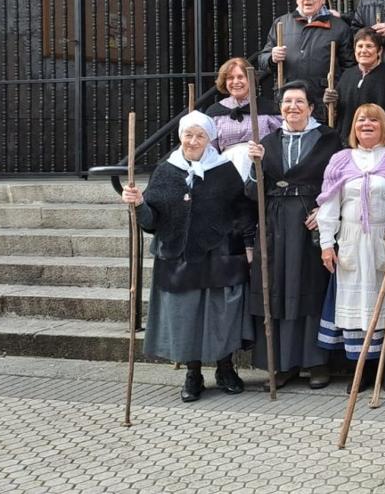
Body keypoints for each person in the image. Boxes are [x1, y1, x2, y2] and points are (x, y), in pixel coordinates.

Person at [120, 111, 253, 402]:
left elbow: (243, 211)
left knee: (222, 314)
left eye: (200, 135)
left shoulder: (224, 170)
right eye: (188, 135)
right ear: (180, 136)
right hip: (178, 256)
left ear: (210, 139)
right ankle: (193, 373)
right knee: (186, 315)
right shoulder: (166, 171)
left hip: (221, 254)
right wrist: (139, 203)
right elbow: (151, 220)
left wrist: (249, 245)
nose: (194, 141)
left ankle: (225, 368)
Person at [245, 81, 344, 390]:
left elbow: (341, 182)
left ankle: (316, 362)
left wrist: (324, 209)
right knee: (276, 290)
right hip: (274, 224)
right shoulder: (266, 142)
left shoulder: (329, 140)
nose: (293, 107)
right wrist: (254, 164)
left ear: (311, 107)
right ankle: (281, 364)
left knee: (309, 286)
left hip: (308, 223)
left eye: (300, 101)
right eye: (287, 102)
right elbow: (251, 191)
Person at [315, 104, 385, 393]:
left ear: (384, 125)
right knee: (358, 306)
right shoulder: (341, 159)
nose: (366, 124)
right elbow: (329, 205)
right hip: (351, 240)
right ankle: (362, 370)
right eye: (360, 120)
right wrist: (325, 244)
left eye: (373, 119)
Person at [254, 0, 355, 97]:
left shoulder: (339, 26)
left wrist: (338, 92)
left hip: (323, 99)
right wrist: (272, 58)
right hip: (288, 96)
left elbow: (349, 67)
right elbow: (262, 59)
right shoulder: (281, 23)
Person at [205, 56, 281, 180]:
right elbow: (209, 150)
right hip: (226, 172)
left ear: (250, 79)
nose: (236, 82)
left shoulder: (268, 109)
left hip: (261, 170)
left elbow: (280, 143)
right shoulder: (215, 113)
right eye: (230, 78)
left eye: (240, 77)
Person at [326, 27, 385, 146]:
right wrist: (330, 103)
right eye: (360, 46)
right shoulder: (347, 75)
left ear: (379, 51)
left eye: (369, 46)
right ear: (354, 50)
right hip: (348, 143)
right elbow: (337, 113)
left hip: (379, 144)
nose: (363, 50)